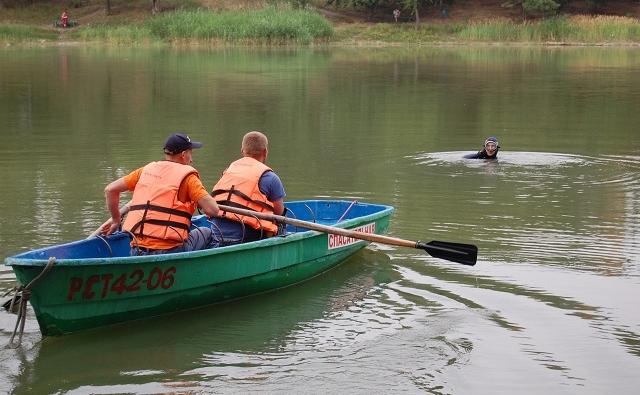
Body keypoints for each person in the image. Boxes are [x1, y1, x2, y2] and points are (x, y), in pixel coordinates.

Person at [102, 133, 220, 255]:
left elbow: (110, 190)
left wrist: (116, 220)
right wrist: (198, 200)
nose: (191, 159)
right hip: (171, 250)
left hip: (137, 250)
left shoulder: (146, 170)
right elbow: (213, 210)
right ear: (184, 155)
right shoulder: (189, 178)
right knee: (207, 232)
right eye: (191, 154)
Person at [210, 131, 286, 246]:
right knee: (278, 223)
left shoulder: (227, 171)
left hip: (216, 232)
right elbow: (279, 211)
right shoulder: (271, 177)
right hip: (245, 236)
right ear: (265, 152)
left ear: (242, 151)